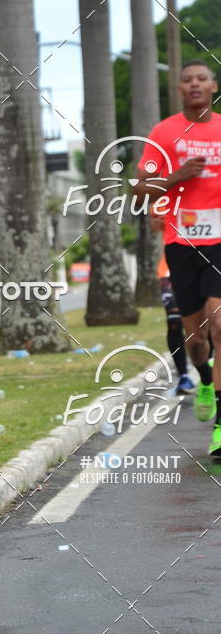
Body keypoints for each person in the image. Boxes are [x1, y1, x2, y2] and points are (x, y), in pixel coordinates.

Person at [134, 59, 221, 454]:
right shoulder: (164, 132)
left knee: (220, 326)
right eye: (187, 80)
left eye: (202, 78)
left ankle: (220, 421)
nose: (195, 84)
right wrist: (177, 177)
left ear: (214, 85)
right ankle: (204, 378)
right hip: (181, 243)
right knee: (196, 339)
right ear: (180, 89)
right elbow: (138, 190)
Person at [151, 214, 195, 396]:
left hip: (207, 266)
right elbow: (154, 225)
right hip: (171, 268)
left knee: (208, 325)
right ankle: (184, 376)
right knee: (175, 321)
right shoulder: (168, 194)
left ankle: (208, 371)